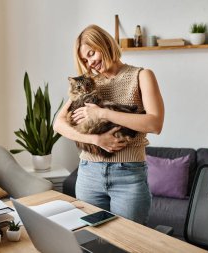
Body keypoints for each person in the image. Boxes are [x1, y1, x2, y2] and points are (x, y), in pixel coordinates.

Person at [53, 24, 164, 224]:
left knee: (129, 241)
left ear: (104, 44)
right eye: (85, 60)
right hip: (88, 173)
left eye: (91, 54)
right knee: (92, 240)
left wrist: (102, 113)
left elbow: (155, 123)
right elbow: (58, 124)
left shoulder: (141, 75)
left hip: (129, 174)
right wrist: (95, 139)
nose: (90, 63)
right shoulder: (89, 83)